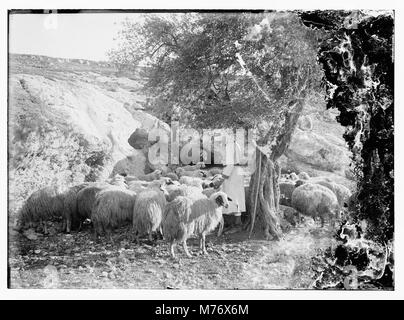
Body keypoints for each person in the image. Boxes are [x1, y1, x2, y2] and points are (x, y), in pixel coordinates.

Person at [221, 138, 247, 234]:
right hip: (233, 172)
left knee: (234, 198)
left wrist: (222, 178)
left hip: (232, 173)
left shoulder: (231, 145)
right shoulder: (232, 144)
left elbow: (231, 163)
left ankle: (238, 225)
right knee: (233, 197)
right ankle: (233, 224)